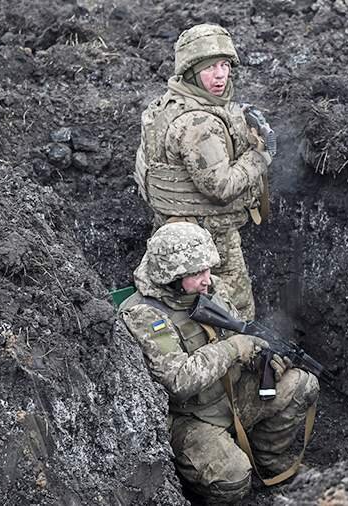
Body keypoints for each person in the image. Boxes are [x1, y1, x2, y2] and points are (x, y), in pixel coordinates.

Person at [117, 222, 319, 504]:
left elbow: (241, 333)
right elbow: (178, 382)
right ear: (171, 275)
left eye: (208, 269)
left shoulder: (206, 293)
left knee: (302, 385)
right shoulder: (147, 316)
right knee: (233, 481)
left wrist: (263, 360)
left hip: (228, 395)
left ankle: (269, 459)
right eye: (197, 272)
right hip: (190, 417)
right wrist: (234, 348)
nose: (207, 279)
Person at [134, 23, 273, 321]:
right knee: (237, 311)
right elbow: (221, 187)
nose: (221, 74)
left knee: (179, 307)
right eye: (210, 67)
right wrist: (261, 156)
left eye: (224, 65)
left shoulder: (166, 105)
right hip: (209, 239)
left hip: (170, 231)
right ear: (192, 71)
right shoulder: (199, 123)